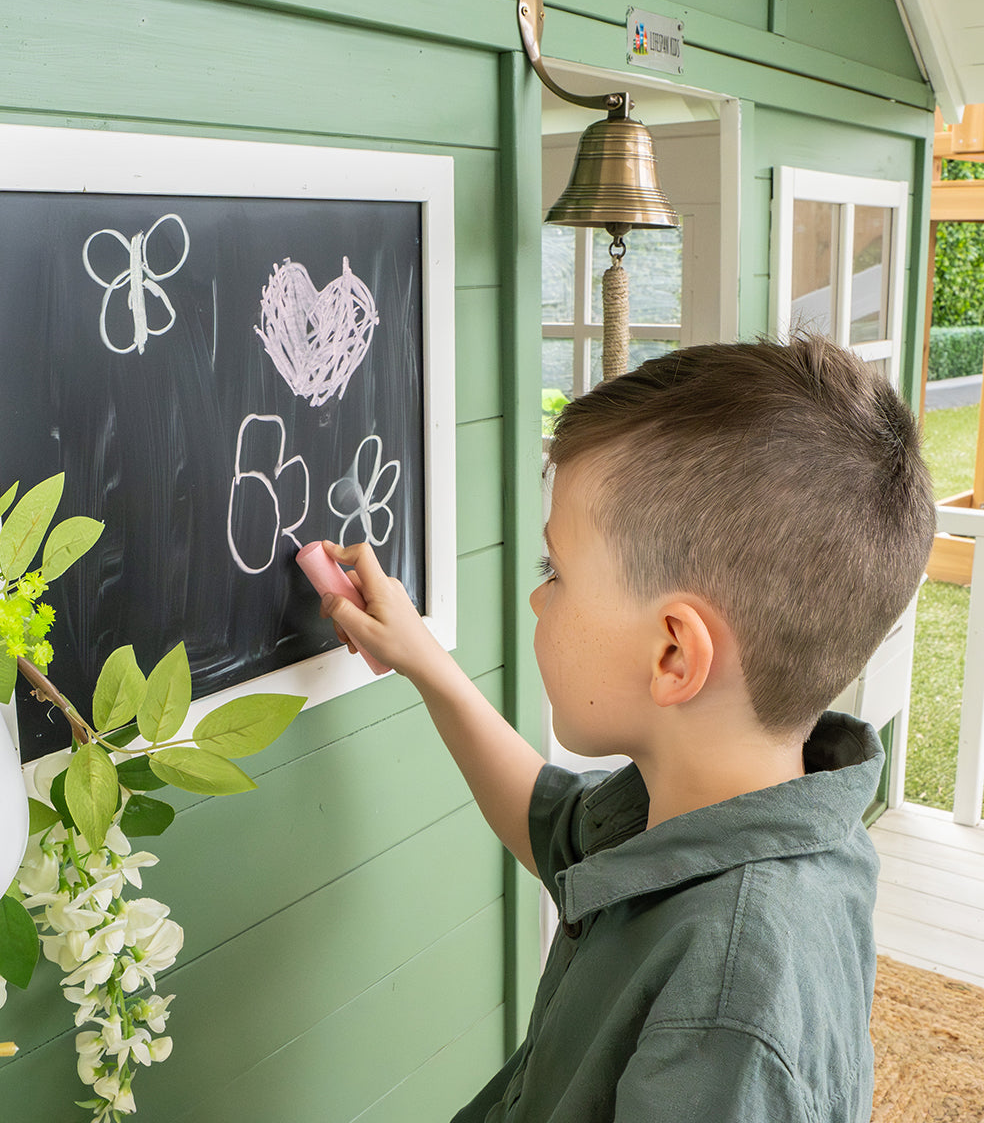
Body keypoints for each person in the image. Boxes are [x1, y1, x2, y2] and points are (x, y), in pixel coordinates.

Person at [318, 335, 936, 1123]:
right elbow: (552, 825)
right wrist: (425, 661)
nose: (539, 600)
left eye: (557, 574)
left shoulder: (728, 1009)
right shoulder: (727, 807)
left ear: (673, 652)